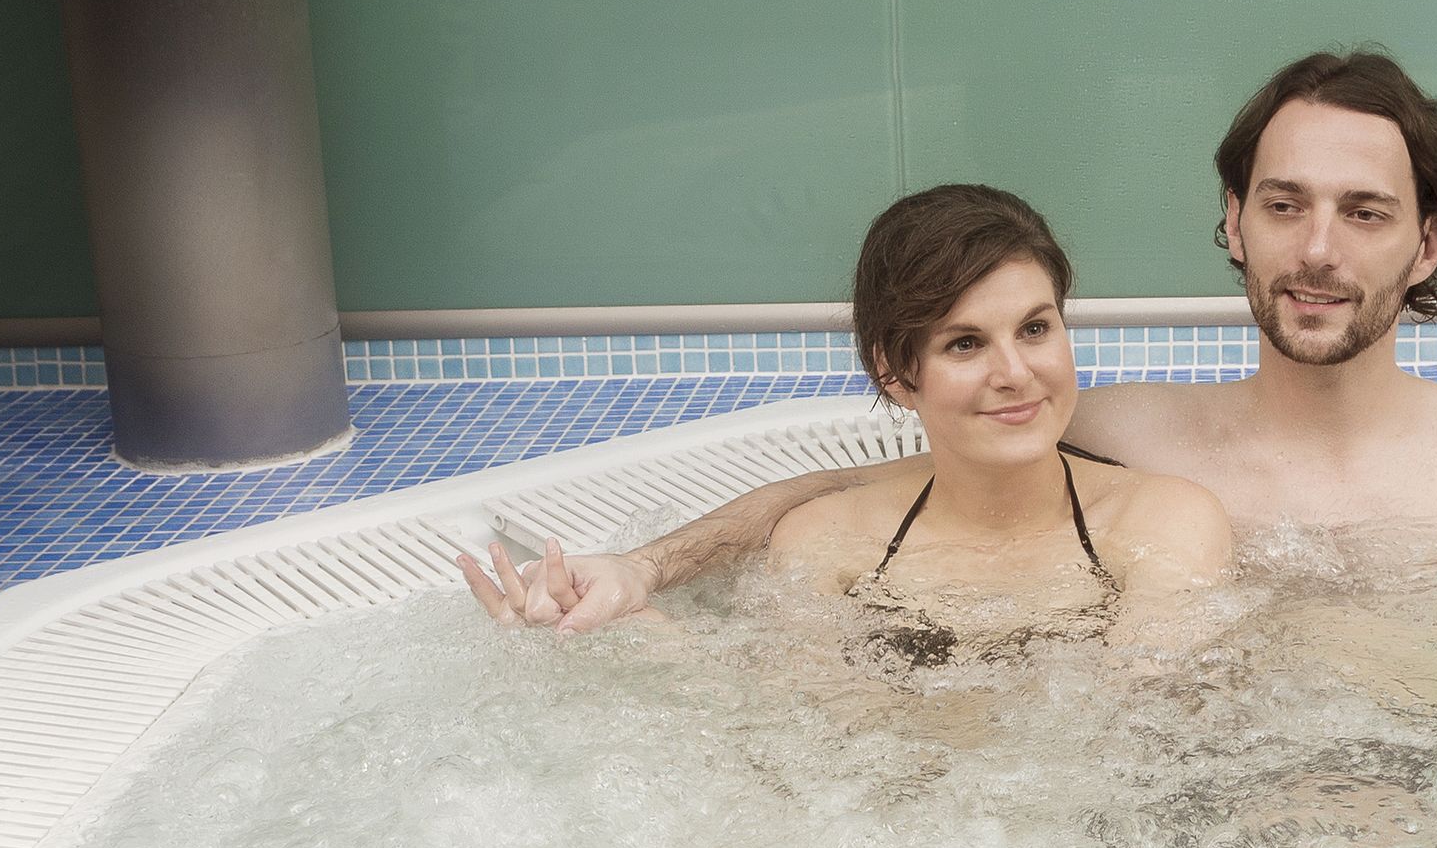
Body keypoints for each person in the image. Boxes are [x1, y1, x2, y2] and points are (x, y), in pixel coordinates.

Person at [471, 48, 1437, 742]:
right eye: (1281, 204)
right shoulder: (1125, 431)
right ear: (1230, 224)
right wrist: (647, 569)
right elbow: (848, 496)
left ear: (1430, 244)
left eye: (1363, 214)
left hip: (1430, 796)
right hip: (1158, 788)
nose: (1315, 248)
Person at [464, 183, 1230, 666]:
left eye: (1035, 329)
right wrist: (633, 625)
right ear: (895, 375)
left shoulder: (1163, 521)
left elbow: (1138, 733)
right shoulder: (828, 544)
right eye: (965, 343)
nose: (1016, 372)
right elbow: (802, 740)